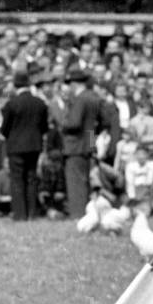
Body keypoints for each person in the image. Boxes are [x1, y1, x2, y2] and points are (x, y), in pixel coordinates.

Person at [0, 69, 48, 220]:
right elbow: (44, 127)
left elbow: (4, 129)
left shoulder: (11, 104)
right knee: (31, 178)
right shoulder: (40, 103)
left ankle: (20, 214)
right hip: (34, 145)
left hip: (16, 146)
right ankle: (32, 213)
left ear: (15, 85)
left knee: (17, 179)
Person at [61, 67, 104, 218]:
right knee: (85, 180)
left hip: (75, 146)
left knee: (75, 182)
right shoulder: (93, 98)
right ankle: (87, 212)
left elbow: (74, 123)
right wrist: (91, 146)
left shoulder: (80, 99)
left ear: (74, 84)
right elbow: (92, 126)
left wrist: (62, 123)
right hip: (88, 144)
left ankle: (78, 214)